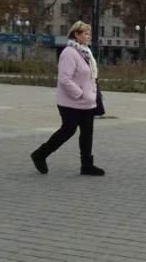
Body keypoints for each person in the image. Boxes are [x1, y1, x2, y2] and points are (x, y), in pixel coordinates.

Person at [30, 21, 105, 176]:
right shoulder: (69, 53)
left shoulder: (86, 52)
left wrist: (91, 95)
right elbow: (64, 79)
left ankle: (86, 166)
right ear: (76, 35)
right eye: (86, 33)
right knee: (67, 131)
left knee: (87, 133)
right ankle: (39, 155)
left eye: (89, 33)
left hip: (87, 103)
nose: (89, 36)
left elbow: (90, 76)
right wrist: (80, 94)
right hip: (71, 103)